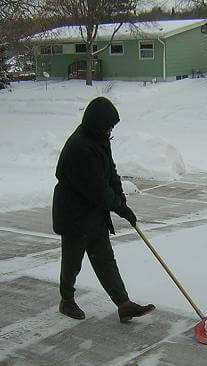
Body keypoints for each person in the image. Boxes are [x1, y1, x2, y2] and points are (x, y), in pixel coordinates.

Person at [52, 96, 155, 323]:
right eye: (107, 127)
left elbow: (110, 173)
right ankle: (66, 300)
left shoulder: (99, 139)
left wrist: (121, 199)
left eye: (112, 128)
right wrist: (121, 209)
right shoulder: (81, 148)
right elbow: (98, 189)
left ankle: (123, 304)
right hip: (73, 213)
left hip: (92, 211)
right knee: (72, 260)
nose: (110, 131)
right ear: (96, 124)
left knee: (105, 258)